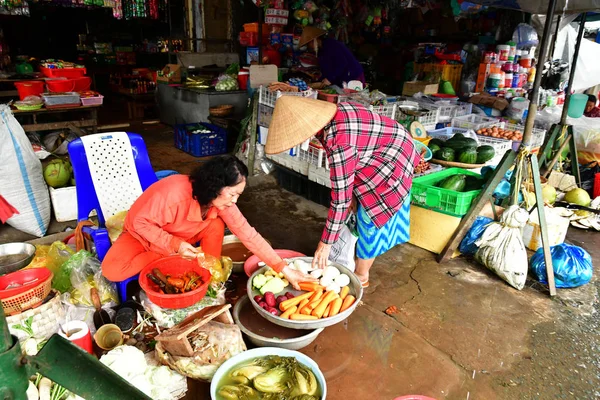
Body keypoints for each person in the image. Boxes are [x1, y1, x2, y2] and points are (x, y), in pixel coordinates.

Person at [265, 97, 419, 288]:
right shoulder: (336, 112)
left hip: (394, 160)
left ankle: (362, 276)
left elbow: (340, 201)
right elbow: (356, 160)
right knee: (354, 206)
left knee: (369, 219)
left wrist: (325, 244)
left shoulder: (340, 143)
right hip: (384, 149)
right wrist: (352, 194)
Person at [101, 155, 316, 289]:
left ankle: (209, 276)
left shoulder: (222, 203)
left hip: (182, 235)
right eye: (232, 194)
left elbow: (248, 234)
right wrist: (174, 246)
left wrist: (284, 269)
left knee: (215, 225)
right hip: (144, 234)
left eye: (238, 195)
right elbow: (139, 223)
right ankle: (168, 256)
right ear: (214, 186)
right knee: (112, 270)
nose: (235, 201)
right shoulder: (174, 195)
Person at [298, 26, 365, 88]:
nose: (308, 46)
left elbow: (341, 64)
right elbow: (327, 70)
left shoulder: (331, 45)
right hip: (342, 78)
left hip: (353, 76)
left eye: (309, 44)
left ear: (315, 40)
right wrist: (321, 81)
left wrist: (329, 79)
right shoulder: (321, 51)